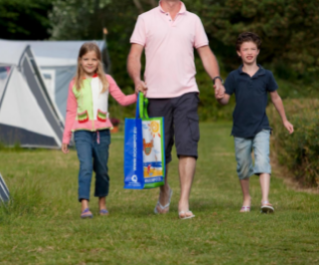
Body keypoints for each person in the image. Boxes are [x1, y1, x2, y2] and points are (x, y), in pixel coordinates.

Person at [127, 0, 225, 219]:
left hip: (186, 93)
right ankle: (164, 191)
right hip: (154, 94)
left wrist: (216, 79)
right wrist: (136, 79)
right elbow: (134, 55)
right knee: (156, 154)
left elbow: (206, 53)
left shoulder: (193, 20)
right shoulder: (146, 19)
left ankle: (184, 202)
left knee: (188, 144)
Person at [217, 32, 294, 213]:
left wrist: (284, 119)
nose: (249, 52)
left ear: (258, 51)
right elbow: (225, 100)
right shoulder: (234, 77)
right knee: (243, 167)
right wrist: (219, 96)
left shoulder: (266, 75)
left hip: (262, 127)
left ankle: (265, 200)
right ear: (239, 53)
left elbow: (275, 98)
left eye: (253, 49)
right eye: (245, 49)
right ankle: (246, 198)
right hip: (240, 128)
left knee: (262, 161)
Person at [62, 42, 137, 219]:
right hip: (81, 133)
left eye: (93, 59)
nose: (89, 62)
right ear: (80, 60)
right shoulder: (75, 83)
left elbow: (123, 99)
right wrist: (66, 138)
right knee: (86, 167)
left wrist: (139, 95)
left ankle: (102, 203)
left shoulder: (107, 80)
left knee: (102, 170)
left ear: (99, 61)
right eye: (86, 59)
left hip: (103, 133)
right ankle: (85, 206)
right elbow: (71, 112)